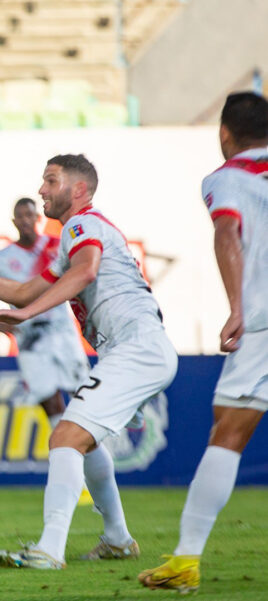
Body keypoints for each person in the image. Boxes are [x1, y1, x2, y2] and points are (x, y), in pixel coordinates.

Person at [0, 154, 177, 569]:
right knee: (82, 441)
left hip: (136, 349)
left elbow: (85, 273)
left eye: (51, 180)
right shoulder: (75, 234)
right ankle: (118, 539)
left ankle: (49, 549)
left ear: (79, 189)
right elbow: (25, 290)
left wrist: (26, 315)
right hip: (134, 350)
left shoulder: (81, 224)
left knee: (64, 437)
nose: (42, 190)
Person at [138, 92, 268, 594]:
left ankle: (187, 560)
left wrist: (236, 307)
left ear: (224, 134)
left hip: (261, 323)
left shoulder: (226, 177)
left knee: (228, 434)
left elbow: (227, 233)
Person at [0, 198, 89, 428]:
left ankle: (89, 455)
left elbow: (84, 275)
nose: (25, 221)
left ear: (38, 218)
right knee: (51, 404)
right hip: (31, 338)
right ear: (14, 221)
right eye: (20, 216)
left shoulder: (58, 246)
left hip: (62, 332)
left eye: (29, 215)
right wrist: (1, 326)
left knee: (84, 398)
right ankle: (66, 449)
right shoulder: (1, 260)